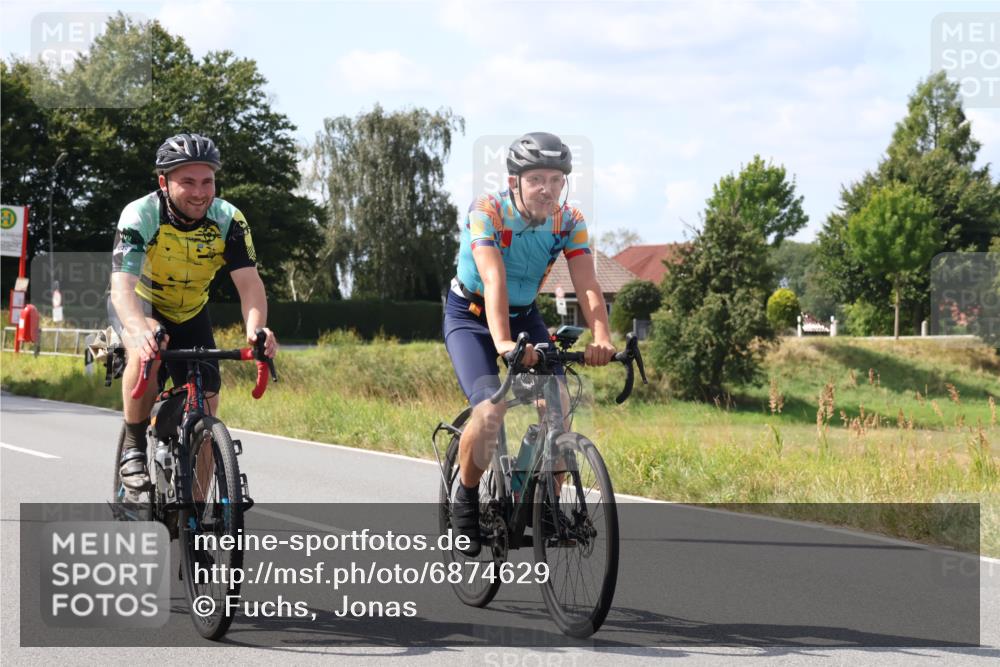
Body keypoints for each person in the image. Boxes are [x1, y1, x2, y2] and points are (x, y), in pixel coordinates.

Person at [443, 132, 615, 555]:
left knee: (558, 408)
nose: (547, 189)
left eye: (556, 180)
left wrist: (603, 337)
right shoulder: (487, 211)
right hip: (472, 315)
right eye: (537, 178)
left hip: (524, 315)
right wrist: (502, 343)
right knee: (490, 411)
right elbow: (493, 277)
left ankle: (539, 502)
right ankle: (465, 497)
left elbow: (588, 284)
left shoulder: (569, 221)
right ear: (514, 180)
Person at [109, 133, 277, 496]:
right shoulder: (140, 215)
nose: (200, 192)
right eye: (187, 182)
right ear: (163, 183)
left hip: (191, 311)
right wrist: (137, 329)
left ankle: (197, 511)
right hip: (142, 303)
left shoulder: (229, 220)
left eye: (207, 182)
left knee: (208, 399)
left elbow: (249, 284)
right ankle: (134, 448)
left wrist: (256, 330)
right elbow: (122, 286)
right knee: (151, 345)